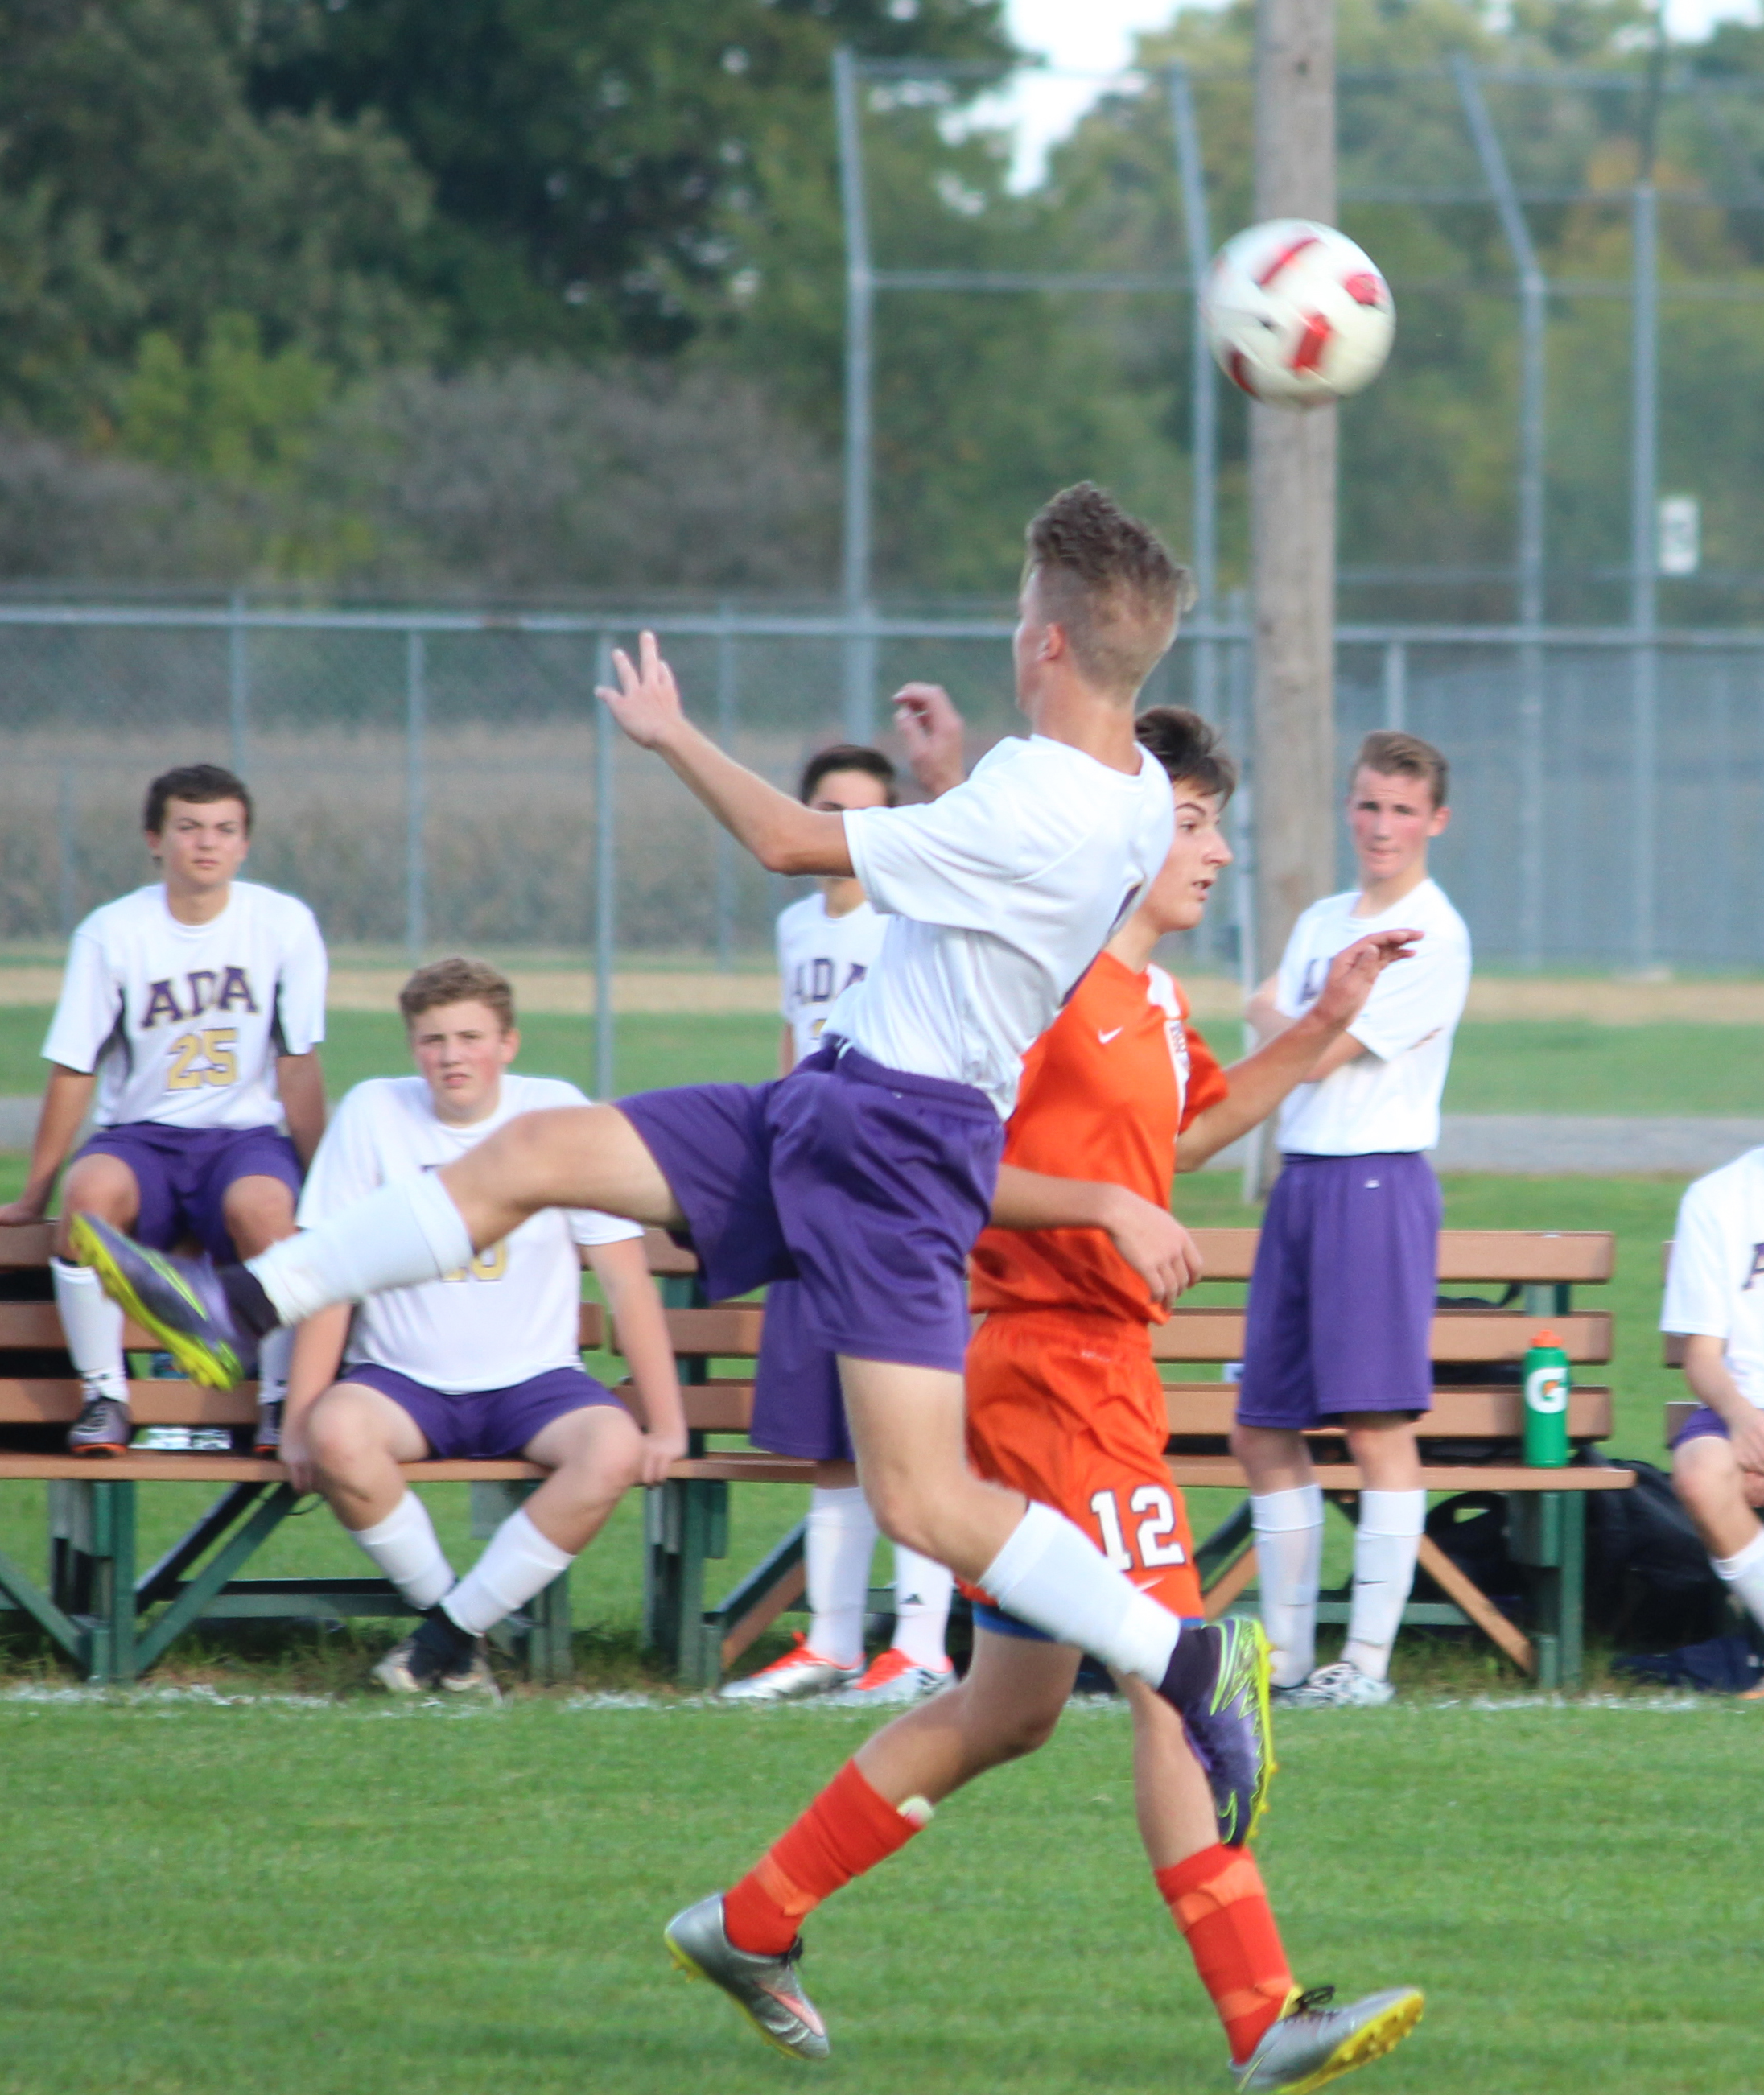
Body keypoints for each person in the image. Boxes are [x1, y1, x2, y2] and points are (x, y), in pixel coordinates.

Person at [77, 485, 1276, 2008]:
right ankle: (242, 1297)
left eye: (1014, 608)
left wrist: (668, 731)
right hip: (823, 1110)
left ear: (1037, 637)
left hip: (904, 1155)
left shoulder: (1043, 800)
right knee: (522, 1153)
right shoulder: (1094, 789)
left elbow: (788, 837)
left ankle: (1181, 1660)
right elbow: (1010, 799)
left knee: (922, 1492)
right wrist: (941, 767)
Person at [680, 703, 1422, 2089]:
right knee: (1171, 1675)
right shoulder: (1048, 981)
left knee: (1009, 1709)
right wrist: (1092, 1207)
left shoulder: (1147, 999)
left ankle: (749, 1918)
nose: (1207, 848)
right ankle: (1262, 2011)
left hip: (1094, 1372)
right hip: (1046, 1365)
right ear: (1123, 831)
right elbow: (949, 1160)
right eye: (1187, 821)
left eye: (1211, 821)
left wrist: (1324, 1021)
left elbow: (1185, 1134)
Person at [280, 957, 686, 1697]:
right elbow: (326, 1278)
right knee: (338, 1434)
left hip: (534, 1383)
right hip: (401, 1384)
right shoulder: (374, 1113)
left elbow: (626, 1281)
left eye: (470, 1036)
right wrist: (298, 1418)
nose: (451, 1055)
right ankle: (457, 1641)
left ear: (508, 1044)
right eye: (432, 1039)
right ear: (413, 1048)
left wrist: (667, 1425)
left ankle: (443, 1638)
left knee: (612, 1450)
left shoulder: (555, 1115)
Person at [727, 718, 964, 1707]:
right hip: (809, 1172)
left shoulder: (914, 911)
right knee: (828, 1434)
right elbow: (794, 1050)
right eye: (827, 811)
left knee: (905, 1429)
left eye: (865, 813)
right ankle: (828, 1641)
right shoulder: (797, 928)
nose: (843, 828)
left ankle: (920, 1643)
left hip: (891, 1177)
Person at [1232, 729, 1471, 1708]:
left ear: (1435, 822)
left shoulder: (1433, 934)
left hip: (1375, 1181)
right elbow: (1289, 1027)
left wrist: (1285, 1018)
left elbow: (1313, 1048)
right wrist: (1294, 1020)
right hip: (1301, 1182)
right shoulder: (1325, 918)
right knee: (1263, 1425)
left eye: (1403, 810)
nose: (1383, 826)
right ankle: (1285, 1658)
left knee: (1374, 1425)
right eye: (1369, 806)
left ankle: (1363, 1663)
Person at [0, 763, 325, 1455]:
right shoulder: (112, 933)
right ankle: (106, 1397)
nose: (206, 844)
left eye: (224, 830)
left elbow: (297, 1065)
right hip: (142, 1138)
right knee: (88, 1208)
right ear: (154, 839)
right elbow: (74, 1067)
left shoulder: (283, 925)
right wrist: (36, 1194)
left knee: (268, 1214)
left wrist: (320, 1175)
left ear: (244, 844)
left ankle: (275, 1400)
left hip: (242, 1138)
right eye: (188, 828)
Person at [1661, 1025, 1764, 1701]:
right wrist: (1747, 1425)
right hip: (1744, 1407)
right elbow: (1702, 1357)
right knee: (1698, 1469)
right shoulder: (1718, 1199)